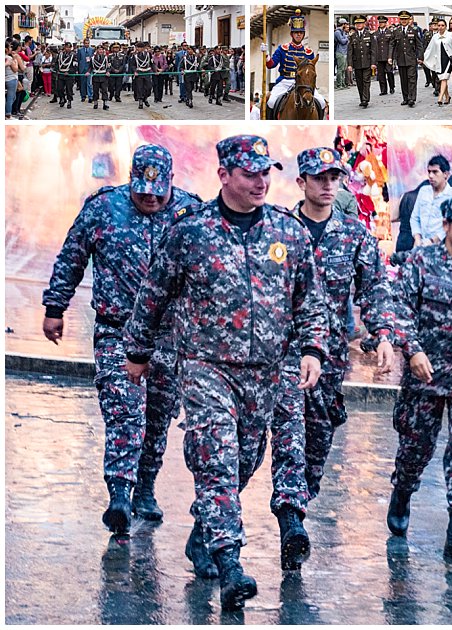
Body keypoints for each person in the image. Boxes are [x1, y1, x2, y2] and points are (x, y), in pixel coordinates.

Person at [123, 135, 328, 611]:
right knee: (215, 460)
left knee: (241, 463)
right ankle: (230, 563)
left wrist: (313, 348)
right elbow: (153, 296)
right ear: (224, 176)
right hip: (206, 370)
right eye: (250, 173)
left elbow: (309, 299)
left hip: (267, 374)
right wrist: (137, 351)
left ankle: (205, 534)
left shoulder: (288, 233)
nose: (261, 181)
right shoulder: (191, 233)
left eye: (265, 172)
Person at [42, 145, 202, 540]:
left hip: (170, 336)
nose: (149, 197)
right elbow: (72, 256)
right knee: (124, 410)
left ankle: (145, 486)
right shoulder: (103, 208)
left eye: (157, 190)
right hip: (118, 329)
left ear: (171, 183)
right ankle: (119, 493)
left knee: (158, 415)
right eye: (141, 189)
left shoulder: (190, 213)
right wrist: (55, 306)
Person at [270, 146, 395, 570]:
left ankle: (297, 511)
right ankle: (290, 520)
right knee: (289, 431)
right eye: (318, 178)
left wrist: (381, 335)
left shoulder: (353, 234)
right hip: (283, 353)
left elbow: (374, 288)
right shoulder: (278, 230)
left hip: (331, 357)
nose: (327, 185)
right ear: (302, 182)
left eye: (333, 178)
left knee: (318, 444)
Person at [387, 195, 452, 565]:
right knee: (416, 448)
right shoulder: (421, 262)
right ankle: (402, 490)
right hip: (424, 376)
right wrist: (412, 350)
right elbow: (398, 308)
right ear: (446, 225)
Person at [263, 9, 326, 116]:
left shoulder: (308, 52)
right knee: (271, 101)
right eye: (296, 32)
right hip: (285, 81)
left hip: (304, 84)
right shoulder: (283, 49)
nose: (298, 35)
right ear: (292, 34)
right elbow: (271, 65)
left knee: (322, 102)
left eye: (301, 33)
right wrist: (266, 55)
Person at [410, 155, 452, 246]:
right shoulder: (423, 191)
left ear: (446, 174)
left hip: (442, 247)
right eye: (429, 172)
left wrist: (433, 240)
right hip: (420, 244)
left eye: (435, 172)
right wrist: (417, 238)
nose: (431, 176)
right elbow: (415, 217)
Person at [423, 18, 452, 106]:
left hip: (448, 59)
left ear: (445, 26)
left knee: (444, 78)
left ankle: (440, 97)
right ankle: (447, 96)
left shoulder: (450, 35)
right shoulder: (435, 37)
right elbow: (430, 49)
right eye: (439, 25)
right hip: (438, 60)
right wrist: (425, 58)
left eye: (442, 25)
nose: (440, 27)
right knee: (442, 79)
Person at [388, 10, 423, 108]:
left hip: (411, 59)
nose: (404, 21)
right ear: (399, 20)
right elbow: (392, 44)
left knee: (411, 78)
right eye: (402, 19)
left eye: (405, 19)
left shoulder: (414, 30)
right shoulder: (396, 31)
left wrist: (420, 57)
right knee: (403, 79)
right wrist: (390, 57)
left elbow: (419, 45)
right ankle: (406, 98)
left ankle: (412, 98)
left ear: (409, 20)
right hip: (401, 59)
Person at [347, 15, 376, 108]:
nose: (359, 25)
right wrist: (350, 64)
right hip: (357, 63)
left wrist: (373, 63)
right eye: (357, 23)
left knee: (366, 81)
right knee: (359, 82)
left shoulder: (369, 34)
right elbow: (350, 51)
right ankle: (362, 98)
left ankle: (365, 99)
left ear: (364, 23)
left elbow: (373, 50)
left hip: (367, 62)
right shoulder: (352, 36)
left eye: (360, 23)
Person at [373, 16, 395, 95]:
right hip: (379, 57)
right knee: (381, 74)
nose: (381, 24)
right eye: (380, 22)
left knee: (389, 72)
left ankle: (392, 87)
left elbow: (391, 45)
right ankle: (383, 89)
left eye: (383, 22)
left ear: (386, 23)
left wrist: (390, 56)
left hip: (387, 56)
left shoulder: (390, 32)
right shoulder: (375, 33)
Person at [129, 41, 153, 109]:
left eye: (139, 47)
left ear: (143, 48)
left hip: (147, 72)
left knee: (149, 87)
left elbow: (152, 63)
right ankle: (140, 101)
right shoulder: (135, 55)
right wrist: (135, 71)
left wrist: (155, 70)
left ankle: (145, 98)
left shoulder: (148, 54)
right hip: (139, 73)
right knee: (139, 88)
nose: (137, 49)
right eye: (137, 47)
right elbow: (132, 65)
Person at [54, 41, 77, 109]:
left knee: (69, 89)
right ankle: (62, 98)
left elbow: (75, 65)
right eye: (66, 47)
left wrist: (70, 71)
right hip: (61, 74)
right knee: (59, 88)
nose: (67, 49)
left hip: (69, 75)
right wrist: (57, 70)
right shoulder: (60, 54)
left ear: (71, 48)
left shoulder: (73, 55)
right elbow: (56, 63)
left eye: (69, 47)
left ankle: (69, 101)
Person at [90, 44, 110, 111]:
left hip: (103, 76)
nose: (100, 51)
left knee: (104, 90)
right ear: (97, 50)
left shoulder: (106, 58)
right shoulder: (93, 58)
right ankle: (95, 103)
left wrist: (108, 71)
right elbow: (90, 67)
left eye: (102, 49)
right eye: (99, 49)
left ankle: (105, 103)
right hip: (96, 76)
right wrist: (88, 72)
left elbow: (108, 66)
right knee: (95, 90)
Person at [5, 40, 20, 119]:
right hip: (11, 79)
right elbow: (16, 69)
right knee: (11, 98)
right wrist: (15, 60)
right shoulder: (9, 58)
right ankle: (8, 114)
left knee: (11, 98)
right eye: (10, 47)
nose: (11, 48)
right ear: (6, 49)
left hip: (6, 79)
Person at [77, 37, 94, 102]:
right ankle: (83, 96)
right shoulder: (80, 50)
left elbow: (92, 59)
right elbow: (78, 59)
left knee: (89, 83)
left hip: (89, 68)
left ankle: (90, 96)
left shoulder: (92, 50)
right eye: (86, 43)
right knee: (82, 83)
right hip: (82, 68)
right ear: (83, 43)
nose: (87, 44)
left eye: (88, 43)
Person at [334, 18, 349, 89]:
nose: (346, 25)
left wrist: (345, 37)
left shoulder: (342, 32)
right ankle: (339, 84)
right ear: (343, 24)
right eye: (345, 24)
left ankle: (343, 83)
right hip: (340, 52)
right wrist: (347, 38)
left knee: (343, 69)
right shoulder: (337, 32)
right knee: (340, 69)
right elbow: (342, 41)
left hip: (344, 52)